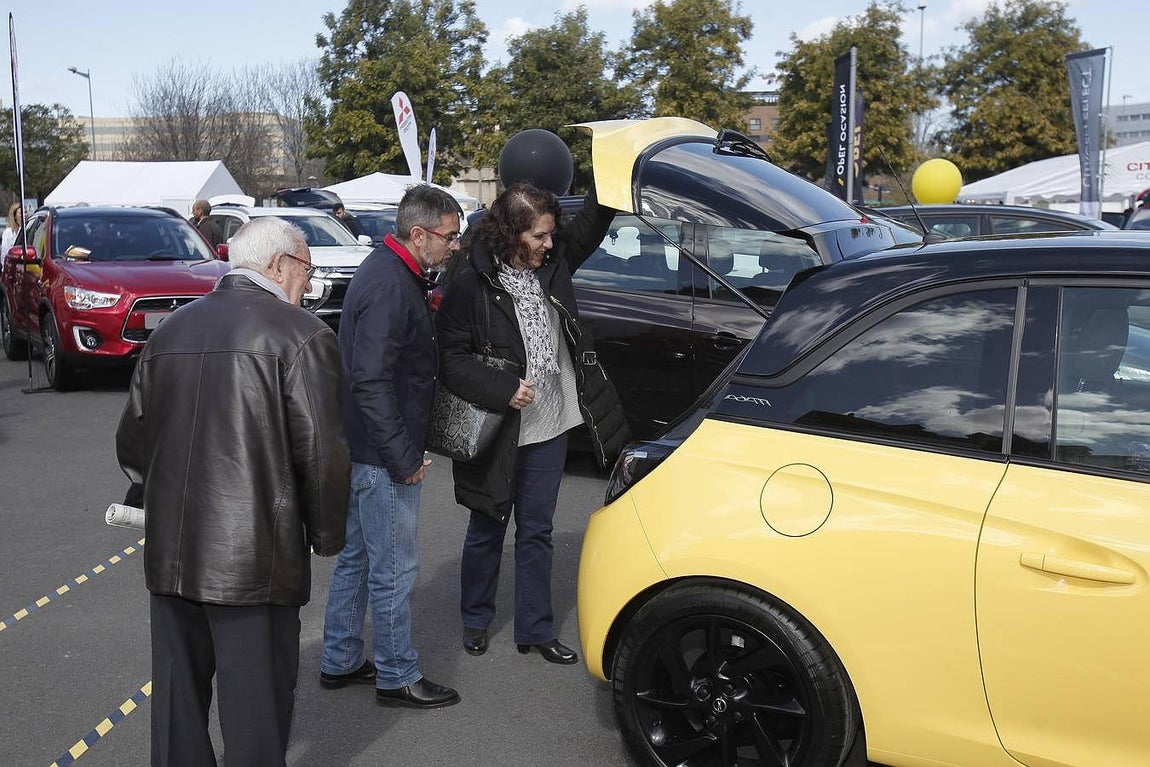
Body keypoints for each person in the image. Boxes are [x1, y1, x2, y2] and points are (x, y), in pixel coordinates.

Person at [115, 216, 350, 767]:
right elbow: (322, 453)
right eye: (308, 271)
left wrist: (158, 499)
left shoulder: (171, 329)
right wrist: (325, 533)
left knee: (177, 713)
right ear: (279, 265)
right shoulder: (302, 334)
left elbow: (132, 440)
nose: (309, 285)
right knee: (255, 720)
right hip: (256, 558)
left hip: (174, 553)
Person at [435, 181, 630, 664]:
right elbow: (452, 359)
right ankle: (476, 619)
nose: (548, 243)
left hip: (550, 420)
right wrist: (502, 388)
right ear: (512, 233)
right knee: (488, 523)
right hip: (498, 424)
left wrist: (613, 164)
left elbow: (593, 217)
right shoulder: (470, 280)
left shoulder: (556, 259)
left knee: (537, 530)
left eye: (550, 235)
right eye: (539, 236)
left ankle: (536, 629)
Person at [320, 185, 464, 709]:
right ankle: (397, 673)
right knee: (394, 567)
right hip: (381, 453)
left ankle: (339, 657)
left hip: (369, 447)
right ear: (419, 234)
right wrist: (402, 457)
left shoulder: (391, 272)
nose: (454, 245)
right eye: (449, 236)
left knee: (358, 557)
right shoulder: (389, 283)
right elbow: (371, 379)